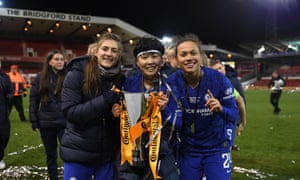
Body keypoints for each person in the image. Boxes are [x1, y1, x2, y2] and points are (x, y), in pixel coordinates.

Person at [165, 33, 239, 180]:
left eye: (193, 53)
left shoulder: (218, 79)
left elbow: (234, 115)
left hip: (216, 148)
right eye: (183, 54)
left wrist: (221, 109)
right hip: (188, 149)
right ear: (177, 60)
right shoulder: (172, 83)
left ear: (200, 56)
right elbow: (175, 124)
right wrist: (167, 110)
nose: (188, 58)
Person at [112, 37, 180, 180]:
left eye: (154, 56)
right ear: (137, 62)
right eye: (144, 57)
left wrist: (165, 110)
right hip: (131, 153)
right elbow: (117, 119)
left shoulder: (170, 86)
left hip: (161, 154)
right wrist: (116, 113)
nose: (150, 62)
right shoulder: (126, 83)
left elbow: (179, 123)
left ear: (162, 60)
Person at [60, 32, 125, 180]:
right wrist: (105, 100)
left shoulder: (120, 78)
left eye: (114, 50)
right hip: (78, 153)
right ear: (96, 51)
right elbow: (70, 113)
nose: (109, 54)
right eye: (105, 49)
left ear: (119, 55)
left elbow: (109, 117)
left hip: (107, 156)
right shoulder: (77, 73)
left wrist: (116, 115)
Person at [29, 50, 67, 180]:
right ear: (50, 62)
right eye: (57, 59)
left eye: (62, 59)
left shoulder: (68, 76)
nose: (60, 62)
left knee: (68, 152)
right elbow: (34, 99)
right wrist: (34, 119)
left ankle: (70, 175)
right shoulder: (40, 77)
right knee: (51, 154)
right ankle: (53, 177)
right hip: (46, 122)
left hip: (64, 121)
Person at [210, 59, 247, 151]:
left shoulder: (228, 86)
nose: (219, 71)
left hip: (226, 124)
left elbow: (240, 101)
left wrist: (243, 121)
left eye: (220, 68)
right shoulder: (205, 85)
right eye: (215, 69)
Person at [0, 60, 14, 170]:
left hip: (2, 109)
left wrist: (9, 97)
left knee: (4, 134)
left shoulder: (5, 77)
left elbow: (10, 90)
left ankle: (0, 157)